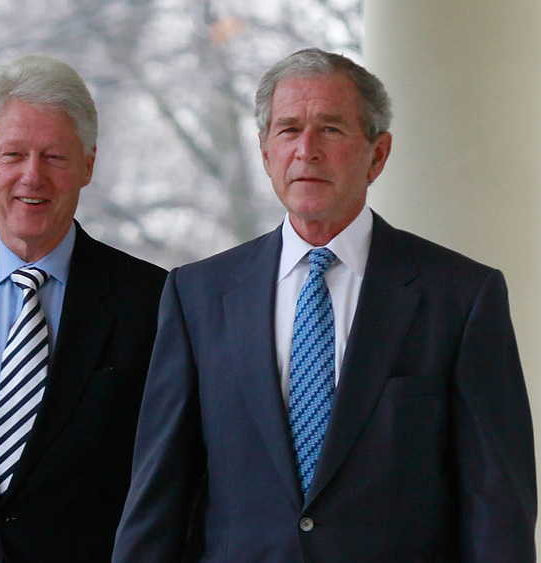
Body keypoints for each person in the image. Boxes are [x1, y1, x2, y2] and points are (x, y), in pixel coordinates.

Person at [113, 48, 536, 561]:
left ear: (377, 155)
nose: (306, 150)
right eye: (288, 130)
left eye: (331, 129)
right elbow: (158, 498)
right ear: (266, 152)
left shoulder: (462, 297)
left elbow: (498, 509)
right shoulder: (197, 296)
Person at [0, 55, 167, 562]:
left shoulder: (153, 302)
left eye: (55, 157)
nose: (31, 176)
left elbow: (171, 479)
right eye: (13, 154)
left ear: (88, 164)